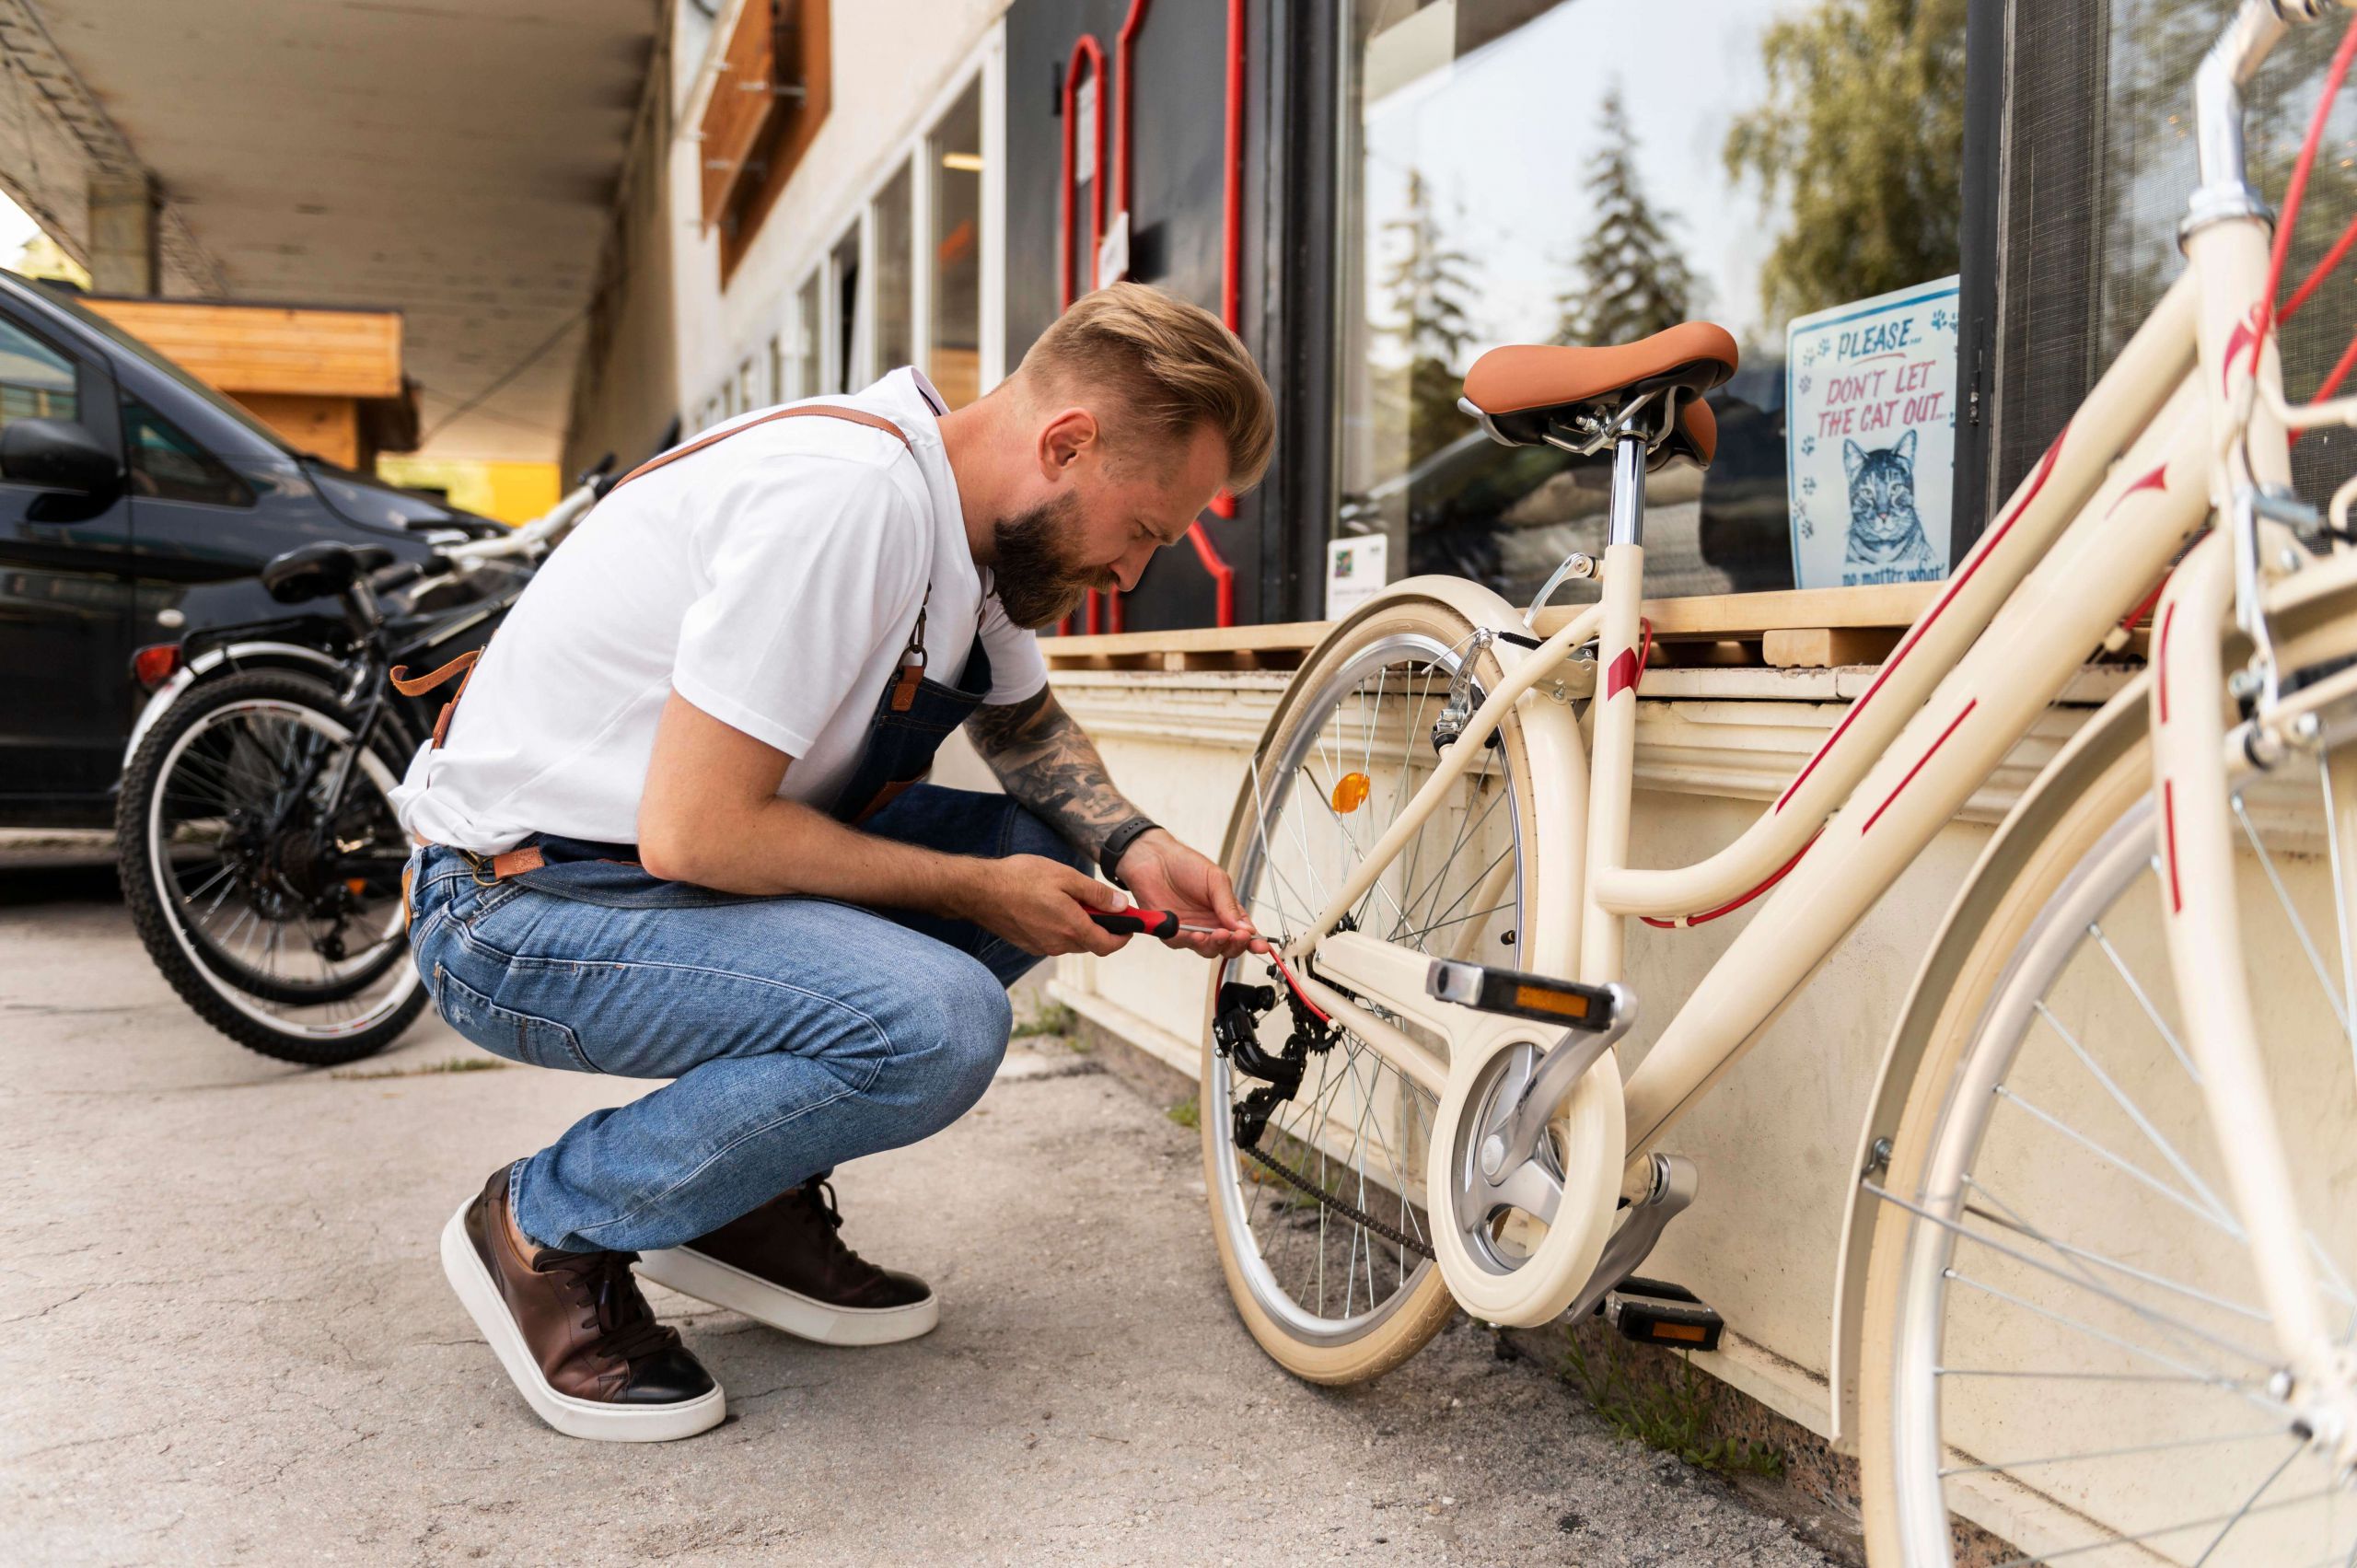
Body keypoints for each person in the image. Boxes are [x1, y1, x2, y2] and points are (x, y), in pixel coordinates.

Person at [391, 283, 1276, 1442]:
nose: (1134, 570)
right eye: (1147, 527)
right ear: (1068, 443)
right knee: (937, 1022)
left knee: (1046, 850)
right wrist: (972, 889)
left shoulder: (970, 532)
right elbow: (699, 832)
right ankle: (544, 1225)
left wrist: (1136, 841)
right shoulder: (848, 502)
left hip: (634, 874)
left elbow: (1022, 726)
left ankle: (732, 1203)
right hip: (515, 907)